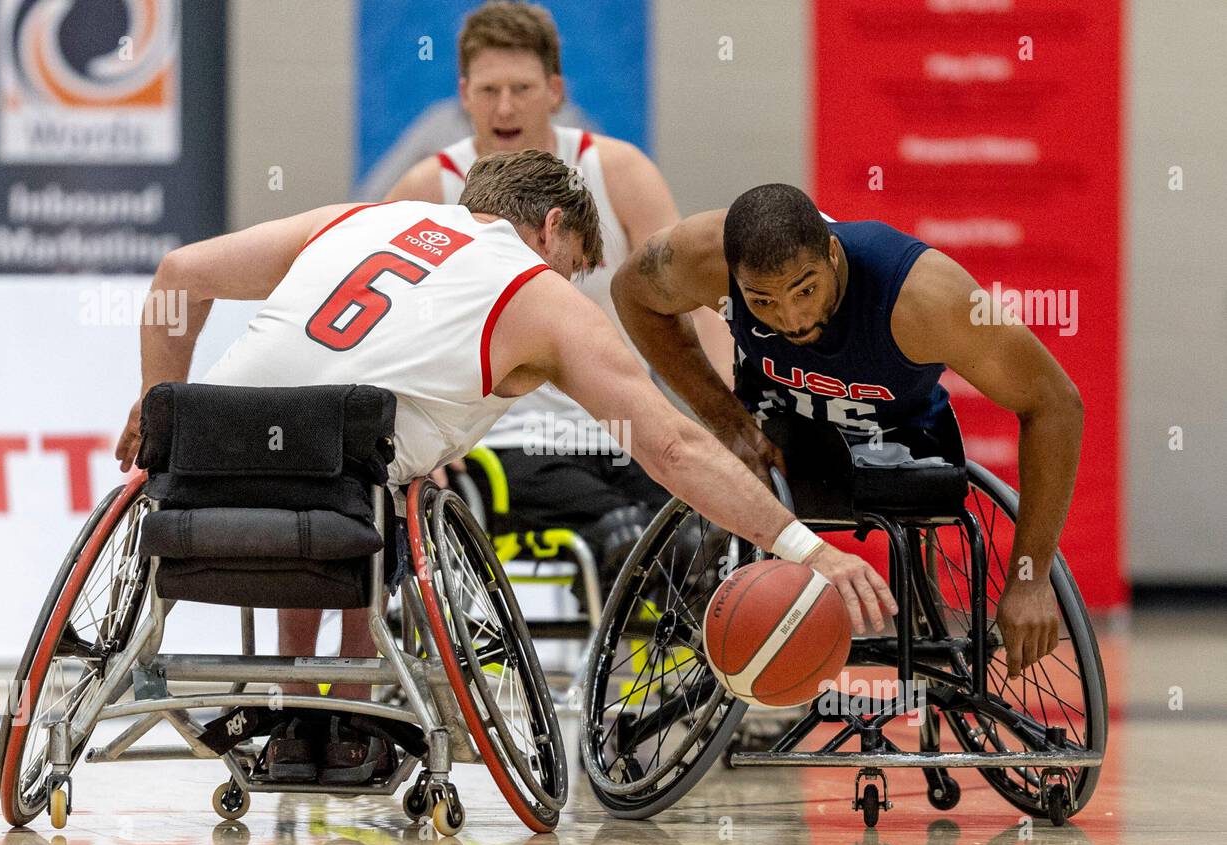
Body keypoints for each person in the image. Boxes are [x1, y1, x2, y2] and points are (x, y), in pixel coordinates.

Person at [114, 152, 896, 781]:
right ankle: (341, 726)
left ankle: (300, 721)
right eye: (575, 266)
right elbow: (674, 448)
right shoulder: (537, 295)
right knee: (373, 481)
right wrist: (805, 545)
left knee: (367, 468)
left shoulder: (360, 218)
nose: (570, 285)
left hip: (202, 470)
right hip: (341, 502)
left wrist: (158, 415)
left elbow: (180, 273)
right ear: (551, 229)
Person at [610, 183, 1084, 680]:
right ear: (733, 279)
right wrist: (727, 423)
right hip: (780, 431)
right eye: (762, 301)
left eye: (806, 289)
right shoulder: (701, 253)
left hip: (897, 435)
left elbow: (1055, 404)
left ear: (832, 254)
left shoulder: (926, 296)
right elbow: (632, 293)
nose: (791, 318)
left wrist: (1030, 579)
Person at [386, 1, 732, 586]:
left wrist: (728, 414)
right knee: (627, 533)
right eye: (489, 89)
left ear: (554, 90)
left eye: (520, 88)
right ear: (464, 94)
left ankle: (702, 676)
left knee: (715, 531)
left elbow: (693, 304)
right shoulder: (430, 187)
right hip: (501, 441)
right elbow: (386, 321)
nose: (504, 107)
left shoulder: (617, 172)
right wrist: (405, 440)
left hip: (620, 426)